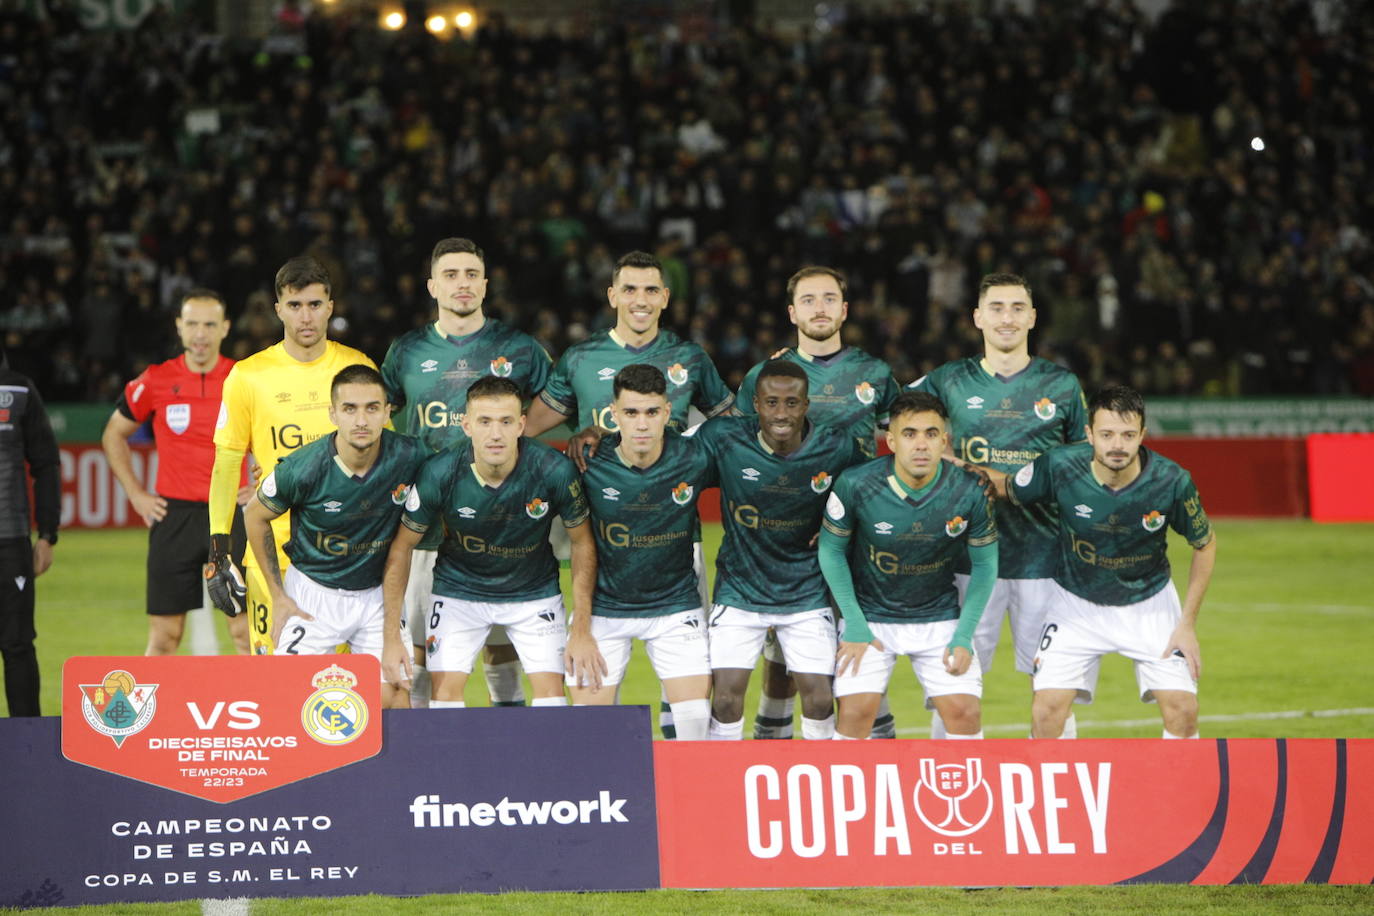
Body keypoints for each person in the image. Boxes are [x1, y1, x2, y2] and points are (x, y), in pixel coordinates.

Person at [525, 249, 733, 736]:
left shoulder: (690, 358)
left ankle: (679, 757)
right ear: (613, 295)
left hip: (677, 539)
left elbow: (736, 433)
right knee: (597, 704)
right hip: (604, 546)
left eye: (650, 290)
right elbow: (527, 427)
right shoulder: (580, 359)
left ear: (665, 297)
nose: (640, 300)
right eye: (630, 289)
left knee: (684, 692)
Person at [910, 272, 1088, 738]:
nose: (1006, 317)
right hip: (966, 558)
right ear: (977, 317)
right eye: (996, 308)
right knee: (954, 686)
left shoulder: (1063, 386)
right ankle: (951, 796)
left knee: (1053, 691)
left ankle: (1056, 793)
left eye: (1016, 308)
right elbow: (886, 415)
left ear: (1032, 317)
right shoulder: (948, 380)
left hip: (1045, 560)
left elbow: (1081, 468)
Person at [381, 238, 554, 708]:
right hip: (427, 530)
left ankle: (510, 756)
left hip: (505, 527)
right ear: (433, 286)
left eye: (471, 274)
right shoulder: (407, 351)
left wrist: (584, 436)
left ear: (485, 284)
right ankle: (425, 759)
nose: (463, 284)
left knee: (503, 653)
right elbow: (374, 420)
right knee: (418, 658)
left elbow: (558, 408)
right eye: (452, 275)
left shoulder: (519, 348)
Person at [994, 385, 1215, 739]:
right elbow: (1007, 487)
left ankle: (1175, 792)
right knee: (1046, 710)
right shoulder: (1059, 465)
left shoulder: (1171, 480)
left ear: (1142, 434)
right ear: (1089, 434)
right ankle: (1057, 792)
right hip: (1074, 604)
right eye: (1107, 434)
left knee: (1183, 710)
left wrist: (1186, 624)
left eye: (1128, 435)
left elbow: (1205, 544)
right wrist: (955, 469)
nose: (1117, 445)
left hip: (1150, 604)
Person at [737, 266, 902, 740]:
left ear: (845, 310)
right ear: (792, 312)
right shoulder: (764, 376)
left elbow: (906, 436)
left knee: (862, 639)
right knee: (781, 656)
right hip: (784, 538)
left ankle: (874, 749)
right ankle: (772, 745)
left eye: (829, 298)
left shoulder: (874, 373)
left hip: (858, 536)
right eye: (808, 300)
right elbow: (741, 448)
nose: (820, 308)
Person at [380, 376, 594, 710]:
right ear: (466, 425)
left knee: (552, 702)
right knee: (444, 701)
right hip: (459, 592)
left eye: (506, 421)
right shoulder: (440, 472)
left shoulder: (553, 470)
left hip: (533, 593)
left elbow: (582, 542)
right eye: (484, 422)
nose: (496, 434)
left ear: (522, 424)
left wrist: (581, 625)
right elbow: (402, 546)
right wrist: (391, 631)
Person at [206, 256, 375, 654]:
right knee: (274, 679)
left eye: (315, 305)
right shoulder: (249, 376)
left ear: (330, 307)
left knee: (345, 686)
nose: (306, 317)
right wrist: (219, 549)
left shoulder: (357, 368)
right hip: (272, 554)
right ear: (278, 308)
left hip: (347, 554)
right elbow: (227, 464)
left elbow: (383, 459)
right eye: (295, 306)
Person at [694, 359, 866, 740]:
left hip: (805, 590)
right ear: (756, 404)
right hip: (740, 588)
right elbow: (669, 460)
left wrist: (846, 528)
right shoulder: (724, 438)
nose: (782, 413)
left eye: (792, 403)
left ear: (806, 405)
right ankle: (727, 786)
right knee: (724, 701)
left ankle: (819, 786)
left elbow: (871, 493)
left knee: (821, 701)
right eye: (772, 402)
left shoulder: (835, 446)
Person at [243, 365, 425, 708]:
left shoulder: (410, 455)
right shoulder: (304, 467)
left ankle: (393, 763)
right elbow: (254, 515)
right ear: (333, 414)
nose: (361, 420)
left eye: (372, 408)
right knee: (288, 699)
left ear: (387, 413)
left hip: (376, 593)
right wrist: (278, 596)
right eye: (349, 409)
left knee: (397, 692)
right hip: (313, 593)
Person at [819, 391, 997, 739]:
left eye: (931, 434)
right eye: (910, 434)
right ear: (891, 440)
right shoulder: (857, 483)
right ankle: (852, 792)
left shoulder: (969, 490)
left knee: (965, 712)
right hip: (870, 618)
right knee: (855, 712)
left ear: (945, 440)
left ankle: (961, 792)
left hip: (939, 618)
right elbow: (831, 550)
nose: (921, 445)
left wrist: (963, 635)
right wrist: (854, 623)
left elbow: (986, 565)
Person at [102, 289, 251, 655]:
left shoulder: (244, 378)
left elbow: (273, 434)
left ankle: (264, 712)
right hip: (174, 516)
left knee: (247, 635)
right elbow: (112, 435)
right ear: (179, 327)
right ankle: (152, 714)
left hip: (231, 514)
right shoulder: (155, 380)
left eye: (210, 325)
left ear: (225, 328)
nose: (201, 334)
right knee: (165, 638)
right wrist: (136, 494)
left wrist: (263, 480)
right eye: (193, 324)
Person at [571, 364, 714, 739]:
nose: (642, 424)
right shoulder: (587, 463)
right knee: (587, 730)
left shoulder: (695, 456)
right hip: (606, 610)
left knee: (696, 721)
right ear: (613, 414)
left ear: (667, 413)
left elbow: (754, 430)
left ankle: (687, 796)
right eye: (631, 413)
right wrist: (580, 629)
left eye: (652, 412)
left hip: (674, 608)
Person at [0, 347, 59, 716]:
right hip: (12, 541)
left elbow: (45, 463)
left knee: (17, 644)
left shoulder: (18, 390)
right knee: (19, 645)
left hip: (11, 541)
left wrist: (47, 533)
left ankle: (27, 750)